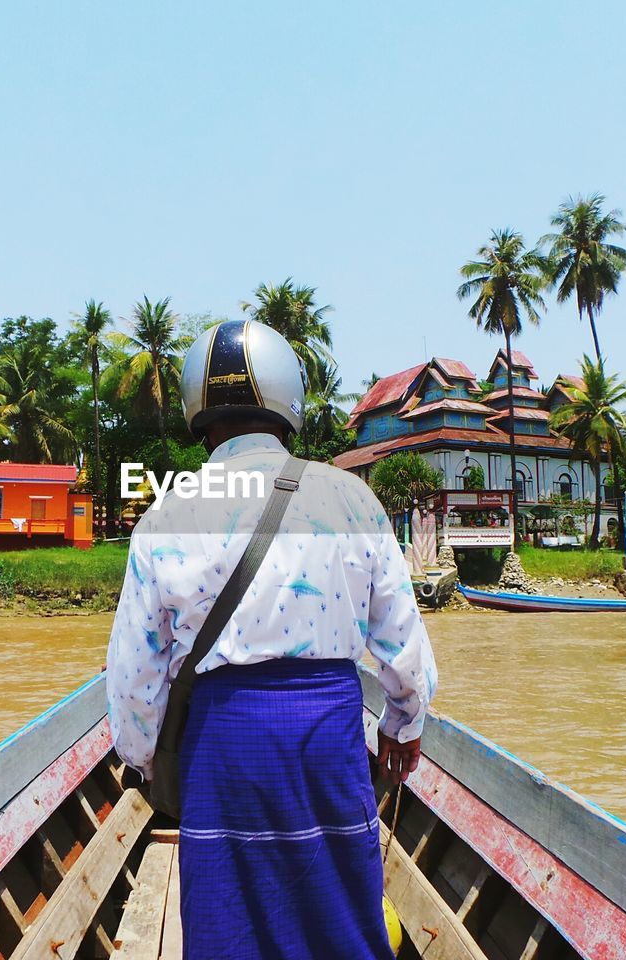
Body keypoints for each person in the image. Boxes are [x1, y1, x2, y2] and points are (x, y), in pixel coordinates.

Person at [106, 319, 437, 960]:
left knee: (228, 922)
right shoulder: (350, 497)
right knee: (342, 913)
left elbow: (135, 677)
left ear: (197, 409)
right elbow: (401, 641)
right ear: (289, 401)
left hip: (222, 743)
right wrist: (403, 722)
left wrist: (148, 760)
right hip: (328, 734)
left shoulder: (168, 509)